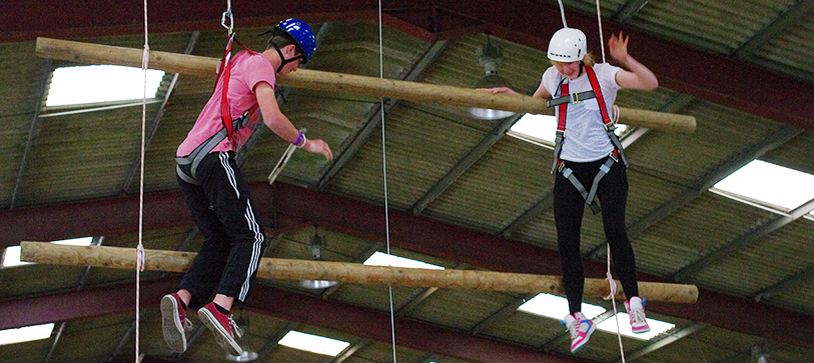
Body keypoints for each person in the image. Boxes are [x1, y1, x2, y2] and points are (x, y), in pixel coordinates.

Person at [161, 18, 333, 355]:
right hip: (213, 156)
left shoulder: (239, 60)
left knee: (220, 238)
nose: (296, 70)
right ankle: (221, 308)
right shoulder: (259, 66)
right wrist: (306, 142)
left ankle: (182, 300)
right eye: (298, 61)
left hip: (185, 163)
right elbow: (271, 117)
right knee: (253, 236)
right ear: (288, 50)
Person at [484, 28, 658, 353]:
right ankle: (577, 316)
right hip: (569, 167)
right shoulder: (552, 77)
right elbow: (535, 103)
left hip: (606, 163)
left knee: (615, 230)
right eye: (558, 64)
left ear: (581, 56)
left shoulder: (604, 75)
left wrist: (626, 59)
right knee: (567, 241)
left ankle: (635, 302)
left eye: (569, 64)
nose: (564, 69)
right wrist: (513, 95)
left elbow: (650, 83)